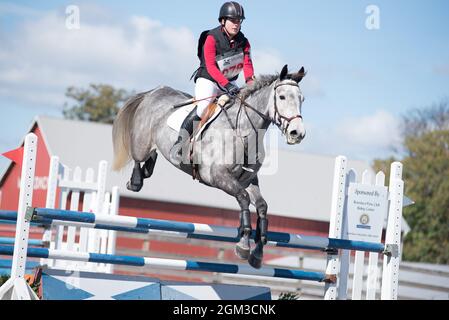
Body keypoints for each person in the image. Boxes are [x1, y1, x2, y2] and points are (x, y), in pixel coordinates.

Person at [170, 1, 255, 164]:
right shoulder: (211, 37)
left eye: (239, 21)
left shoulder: (244, 41)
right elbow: (210, 65)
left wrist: (251, 83)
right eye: (233, 20)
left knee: (243, 108)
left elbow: (248, 64)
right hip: (208, 79)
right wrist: (227, 85)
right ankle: (179, 145)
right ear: (223, 21)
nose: (236, 24)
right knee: (203, 107)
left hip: (228, 82)